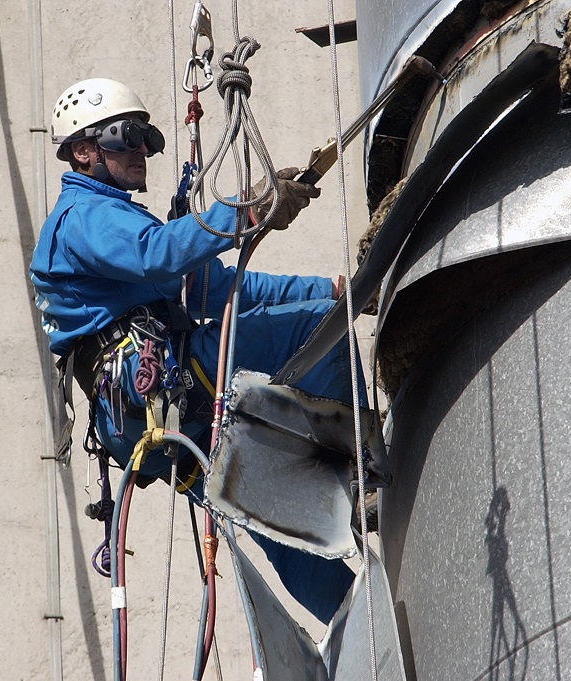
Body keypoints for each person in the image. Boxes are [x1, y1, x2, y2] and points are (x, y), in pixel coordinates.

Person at [31, 78, 360, 624]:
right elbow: (158, 255)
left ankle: (361, 633)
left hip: (156, 410)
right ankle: (357, 468)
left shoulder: (116, 222)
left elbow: (214, 289)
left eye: (147, 139)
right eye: (126, 136)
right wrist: (245, 209)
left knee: (281, 517)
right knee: (321, 330)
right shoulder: (83, 217)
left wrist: (327, 289)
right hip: (156, 381)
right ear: (84, 150)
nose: (141, 150)